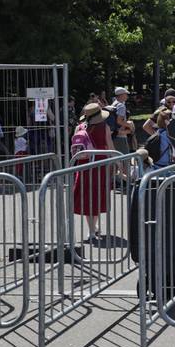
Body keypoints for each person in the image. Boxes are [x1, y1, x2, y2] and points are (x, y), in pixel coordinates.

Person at [71, 103, 113, 238]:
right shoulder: (104, 127)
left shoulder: (79, 128)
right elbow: (110, 146)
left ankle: (92, 228)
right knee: (96, 197)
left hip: (83, 164)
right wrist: (119, 164)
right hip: (100, 164)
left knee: (86, 196)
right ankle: (92, 229)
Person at [109, 87, 130, 151]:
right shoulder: (121, 105)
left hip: (114, 134)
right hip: (121, 135)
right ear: (121, 95)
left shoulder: (114, 104)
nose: (127, 96)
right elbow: (119, 121)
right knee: (124, 157)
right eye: (126, 94)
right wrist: (129, 125)